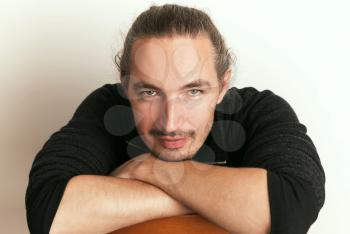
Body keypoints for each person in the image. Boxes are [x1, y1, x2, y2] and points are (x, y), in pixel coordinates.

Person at [25, 4, 325, 234]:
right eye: (150, 92)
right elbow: (49, 214)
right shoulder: (108, 107)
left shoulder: (259, 111)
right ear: (126, 85)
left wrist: (154, 171)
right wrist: (218, 201)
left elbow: (294, 207)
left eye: (193, 91)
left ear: (222, 86)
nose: (170, 123)